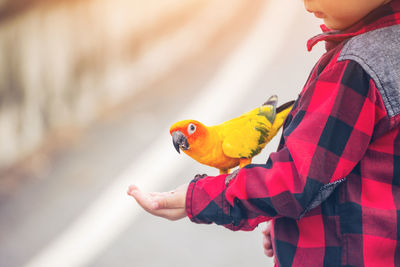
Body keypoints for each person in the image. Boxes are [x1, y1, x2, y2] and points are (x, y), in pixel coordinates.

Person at [128, 0, 400, 265]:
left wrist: (197, 196)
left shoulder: (354, 67)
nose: (306, 4)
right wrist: (287, 219)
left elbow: (297, 180)